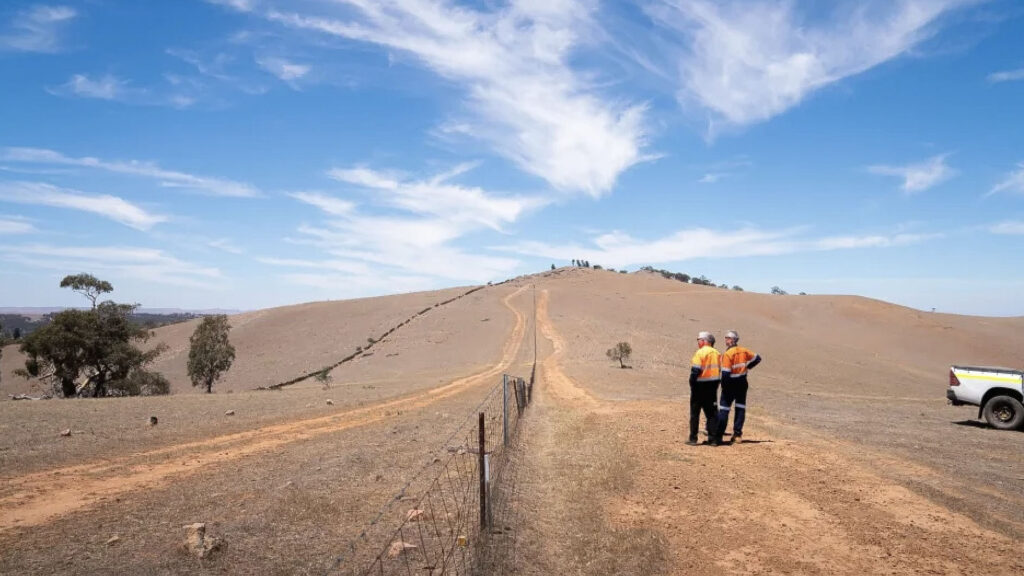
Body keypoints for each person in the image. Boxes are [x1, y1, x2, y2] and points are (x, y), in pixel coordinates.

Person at [716, 330, 762, 443]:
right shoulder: (743, 351)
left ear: (733, 340)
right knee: (740, 408)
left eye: (728, 338)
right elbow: (757, 358)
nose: (726, 340)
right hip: (742, 383)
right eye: (725, 338)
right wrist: (748, 367)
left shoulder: (728, 354)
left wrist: (724, 386)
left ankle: (719, 435)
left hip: (730, 384)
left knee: (724, 409)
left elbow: (725, 373)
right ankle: (737, 435)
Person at [687, 331, 721, 446]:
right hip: (712, 387)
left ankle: (693, 438)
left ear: (704, 341)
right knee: (711, 414)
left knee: (695, 413)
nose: (698, 342)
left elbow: (695, 370)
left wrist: (692, 383)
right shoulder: (717, 353)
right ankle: (713, 439)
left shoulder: (700, 352)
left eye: (699, 340)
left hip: (699, 387)